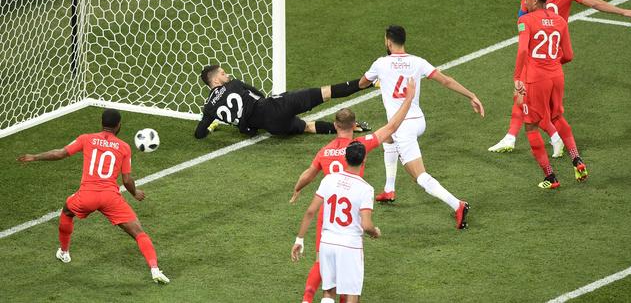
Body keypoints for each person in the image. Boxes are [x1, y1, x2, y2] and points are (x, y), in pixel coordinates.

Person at [489, 0, 631, 155]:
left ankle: (544, 138)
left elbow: (521, 23)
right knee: (535, 101)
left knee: (526, 97)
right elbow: (593, 3)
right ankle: (518, 137)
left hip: (535, 55)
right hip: (555, 56)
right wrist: (622, 12)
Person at [290, 77, 415, 303]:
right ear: (354, 125)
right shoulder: (360, 147)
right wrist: (409, 98)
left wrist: (298, 189)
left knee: (324, 264)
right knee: (350, 279)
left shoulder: (325, 150)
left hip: (326, 210)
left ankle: (308, 299)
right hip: (351, 214)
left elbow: (309, 173)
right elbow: (392, 126)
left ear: (336, 126)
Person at [17, 109, 170, 284]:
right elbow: (126, 180)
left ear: (101, 123)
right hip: (111, 198)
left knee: (67, 211)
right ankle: (155, 269)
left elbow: (60, 153)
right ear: (119, 125)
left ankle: (64, 252)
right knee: (138, 233)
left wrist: (35, 157)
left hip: (86, 196)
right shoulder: (124, 147)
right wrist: (135, 193)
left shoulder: (86, 138)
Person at [358, 25, 484, 229]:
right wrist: (472, 95)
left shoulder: (380, 63)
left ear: (388, 42)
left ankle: (457, 204)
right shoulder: (418, 62)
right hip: (418, 120)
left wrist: (376, 81)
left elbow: (363, 83)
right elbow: (446, 81)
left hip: (403, 126)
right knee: (387, 138)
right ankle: (389, 189)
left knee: (420, 176)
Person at [514, 0, 588, 189]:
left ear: (535, 0)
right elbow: (569, 55)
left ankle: (550, 177)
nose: (524, 1)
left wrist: (517, 77)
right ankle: (577, 159)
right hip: (557, 75)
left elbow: (522, 51)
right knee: (557, 116)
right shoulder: (560, 21)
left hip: (536, 79)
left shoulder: (525, 20)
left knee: (530, 125)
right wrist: (552, 64)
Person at [291, 141, 380, 303]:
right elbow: (366, 225)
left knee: (328, 291)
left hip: (327, 243)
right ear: (364, 160)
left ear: (345, 158)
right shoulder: (365, 189)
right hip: (350, 246)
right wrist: (375, 232)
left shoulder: (329, 180)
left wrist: (299, 239)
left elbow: (311, 211)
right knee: (352, 293)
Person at [194, 65, 370, 139]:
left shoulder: (209, 107)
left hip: (272, 127)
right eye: (223, 74)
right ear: (215, 81)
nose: (228, 76)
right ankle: (366, 83)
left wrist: (211, 127)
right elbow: (258, 94)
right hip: (276, 106)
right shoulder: (234, 84)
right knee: (326, 92)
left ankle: (349, 128)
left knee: (307, 127)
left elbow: (199, 134)